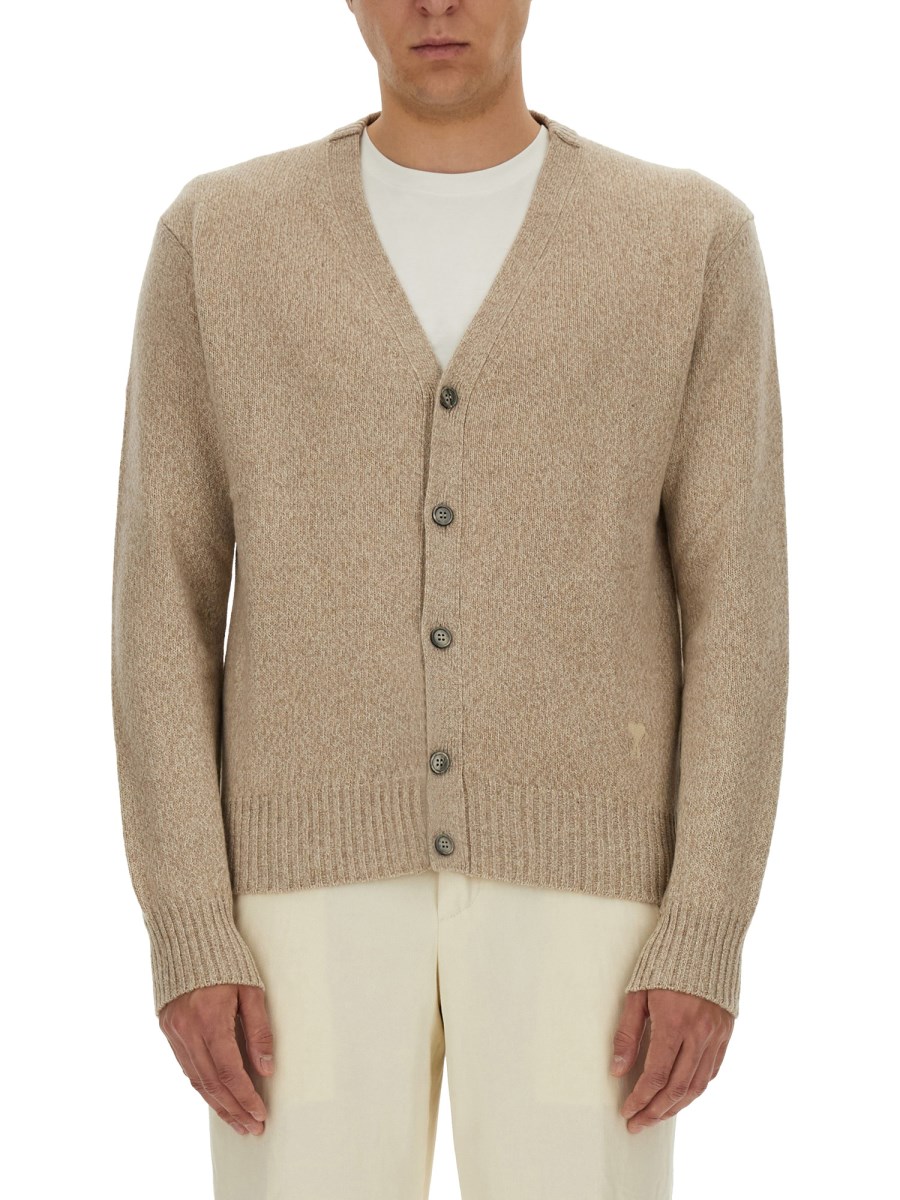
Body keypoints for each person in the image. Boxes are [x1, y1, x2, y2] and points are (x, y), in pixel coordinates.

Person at [110, 1, 789, 1195]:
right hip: (295, 904)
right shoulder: (222, 240)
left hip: (592, 902)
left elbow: (740, 605)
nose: (436, 2)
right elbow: (159, 595)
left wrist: (704, 925)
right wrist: (190, 924)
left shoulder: (687, 242)